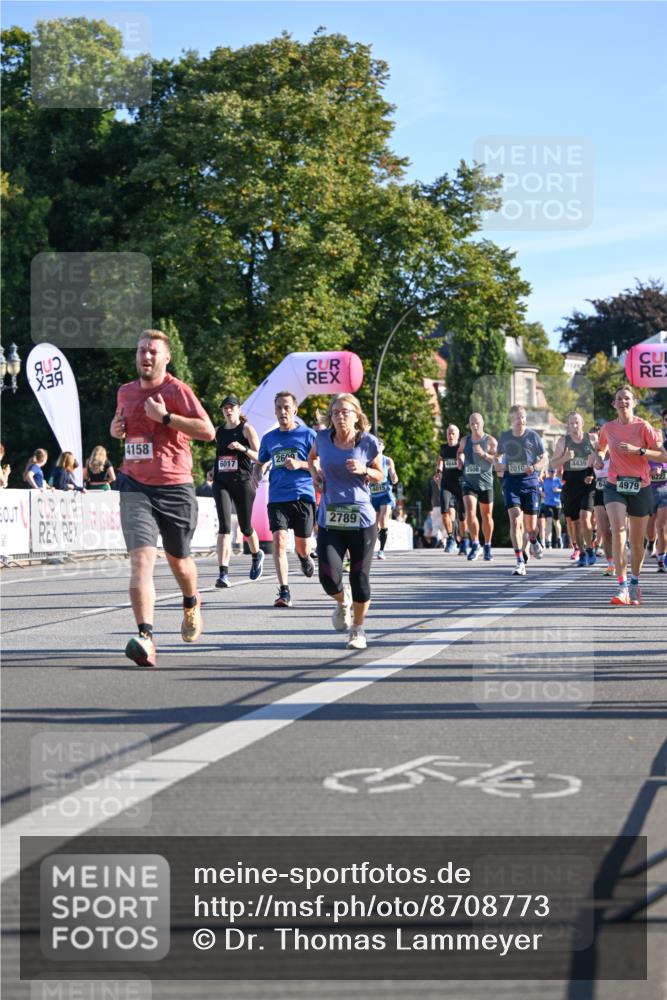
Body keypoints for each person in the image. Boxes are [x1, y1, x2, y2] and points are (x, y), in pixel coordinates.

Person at [110, 329, 215, 667]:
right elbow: (126, 431)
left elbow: (208, 431)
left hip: (175, 486)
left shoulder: (176, 390)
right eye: (142, 350)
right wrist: (116, 430)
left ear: (165, 357)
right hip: (134, 484)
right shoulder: (124, 392)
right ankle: (146, 637)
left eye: (153, 351)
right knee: (142, 560)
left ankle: (190, 600)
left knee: (178, 560)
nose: (146, 356)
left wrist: (167, 418)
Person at [308, 393, 383, 650]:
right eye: (336, 412)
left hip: (362, 520)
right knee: (328, 577)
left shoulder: (368, 443)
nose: (340, 416)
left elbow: (380, 475)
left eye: (346, 412)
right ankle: (342, 602)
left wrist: (365, 470)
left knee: (359, 577)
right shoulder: (322, 439)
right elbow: (312, 459)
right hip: (330, 518)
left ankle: (358, 629)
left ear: (357, 416)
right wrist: (315, 473)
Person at [594, 385, 666, 606]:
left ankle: (635, 582)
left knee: (637, 542)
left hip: (640, 487)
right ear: (614, 404)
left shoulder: (643, 426)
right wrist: (598, 457)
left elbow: (663, 454)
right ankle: (622, 586)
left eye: (627, 399)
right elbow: (601, 448)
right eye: (619, 399)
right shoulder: (608, 428)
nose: (623, 402)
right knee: (617, 530)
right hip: (615, 485)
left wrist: (640, 451)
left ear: (633, 403)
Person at [254, 391, 316, 608]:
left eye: (286, 407)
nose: (282, 412)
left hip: (303, 496)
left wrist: (301, 464)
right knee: (279, 542)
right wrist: (256, 473)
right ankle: (284, 591)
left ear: (295, 410)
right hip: (278, 496)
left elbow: (321, 466)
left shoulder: (308, 435)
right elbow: (261, 461)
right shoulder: (269, 439)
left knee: (302, 545)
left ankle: (304, 557)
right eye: (279, 407)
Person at [212, 394, 264, 587]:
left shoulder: (247, 429)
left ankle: (256, 555)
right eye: (225, 407)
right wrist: (212, 470)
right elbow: (220, 456)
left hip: (243, 481)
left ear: (239, 409)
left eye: (232, 407)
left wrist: (242, 448)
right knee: (224, 527)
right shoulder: (218, 431)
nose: (228, 410)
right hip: (221, 482)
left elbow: (260, 456)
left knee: (245, 527)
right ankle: (223, 574)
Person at [495, 405, 546, 576]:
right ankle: (519, 560)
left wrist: (534, 467)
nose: (521, 420)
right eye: (517, 417)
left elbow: (544, 458)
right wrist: (498, 464)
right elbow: (497, 456)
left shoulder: (533, 436)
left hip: (530, 484)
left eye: (523, 417)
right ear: (511, 419)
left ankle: (533, 539)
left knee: (531, 527)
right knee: (516, 520)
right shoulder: (505, 437)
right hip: (511, 483)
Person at [552, 412, 597, 566]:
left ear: (582, 423)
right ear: (568, 425)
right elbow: (553, 464)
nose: (575, 426)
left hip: (588, 484)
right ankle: (582, 552)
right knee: (576, 522)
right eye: (572, 423)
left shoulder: (592, 439)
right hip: (570, 485)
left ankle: (590, 548)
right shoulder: (562, 442)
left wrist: (592, 469)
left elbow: (601, 457)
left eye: (577, 422)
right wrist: (564, 458)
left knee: (585, 518)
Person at [457, 412, 497, 562]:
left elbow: (497, 461)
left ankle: (487, 545)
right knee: (470, 512)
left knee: (487, 516)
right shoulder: (465, 440)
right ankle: (475, 544)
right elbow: (460, 452)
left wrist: (483, 454)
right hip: (469, 482)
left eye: (477, 423)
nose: (474, 426)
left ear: (482, 423)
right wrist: (460, 460)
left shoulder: (490, 441)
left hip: (486, 483)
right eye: (472, 423)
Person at [435, 424, 467, 554]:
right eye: (449, 433)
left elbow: (464, 458)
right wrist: (438, 471)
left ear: (457, 435)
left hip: (460, 484)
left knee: (462, 516)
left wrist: (461, 460)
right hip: (446, 484)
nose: (451, 435)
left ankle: (464, 540)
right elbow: (441, 459)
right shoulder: (443, 447)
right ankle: (450, 538)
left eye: (453, 433)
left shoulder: (461, 447)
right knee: (444, 511)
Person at [370, 440, 398, 559]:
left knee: (383, 519)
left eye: (379, 445)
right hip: (373, 496)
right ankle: (371, 547)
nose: (377, 447)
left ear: (383, 447)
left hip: (386, 495)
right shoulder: (368, 460)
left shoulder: (387, 460)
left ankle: (381, 551)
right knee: (375, 525)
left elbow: (393, 474)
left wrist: (394, 477)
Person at [649, 410, 667, 573]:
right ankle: (650, 542)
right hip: (648, 493)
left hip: (664, 492)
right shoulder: (646, 453)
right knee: (650, 529)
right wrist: (649, 473)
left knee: (661, 526)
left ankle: (661, 559)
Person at [539, 468, 563, 548]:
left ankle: (559, 538)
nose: (552, 473)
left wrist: (558, 490)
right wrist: (542, 493)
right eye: (551, 472)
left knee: (556, 522)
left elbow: (563, 489)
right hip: (547, 503)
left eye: (554, 472)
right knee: (548, 521)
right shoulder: (545, 480)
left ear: (556, 473)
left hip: (557, 503)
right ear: (548, 472)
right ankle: (548, 541)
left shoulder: (558, 480)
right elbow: (540, 488)